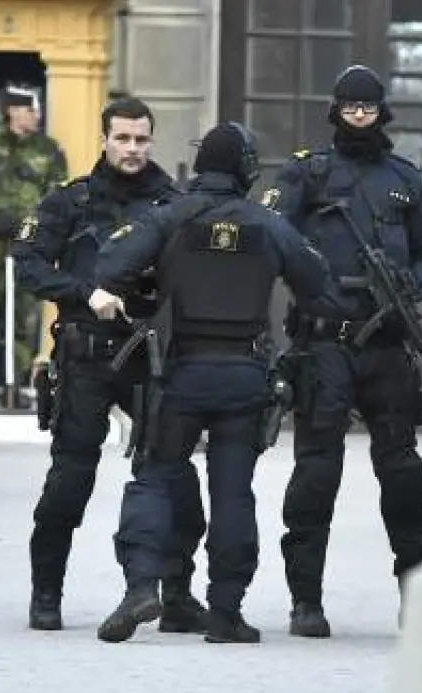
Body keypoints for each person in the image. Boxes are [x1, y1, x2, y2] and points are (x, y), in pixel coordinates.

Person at [92, 122, 351, 645]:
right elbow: (318, 286)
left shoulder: (168, 217)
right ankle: (226, 611)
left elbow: (110, 264)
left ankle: (141, 585)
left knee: (154, 476)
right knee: (233, 491)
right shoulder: (269, 225)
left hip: (179, 374)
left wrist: (150, 284)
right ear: (246, 170)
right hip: (243, 376)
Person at [10, 97, 209, 634]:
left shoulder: (174, 203)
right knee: (70, 479)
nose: (132, 149)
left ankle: (174, 595)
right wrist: (83, 292)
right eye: (122, 138)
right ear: (104, 140)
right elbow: (27, 264)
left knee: (172, 476)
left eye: (141, 139)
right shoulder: (70, 201)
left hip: (151, 356)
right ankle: (46, 593)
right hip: (88, 354)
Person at [259, 64, 422, 637]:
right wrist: (308, 276)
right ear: (335, 110)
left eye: (368, 108)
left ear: (381, 111)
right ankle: (305, 601)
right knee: (317, 472)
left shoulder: (404, 178)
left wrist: (414, 287)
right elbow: (269, 232)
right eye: (350, 108)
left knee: (403, 472)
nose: (359, 117)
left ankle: (419, 595)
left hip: (386, 342)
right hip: (325, 342)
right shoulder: (307, 173)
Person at [0, 82, 69, 407]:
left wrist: (30, 224)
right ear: (14, 111)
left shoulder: (48, 151)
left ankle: (18, 383)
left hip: (29, 247)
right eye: (31, 109)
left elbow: (58, 194)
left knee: (25, 317)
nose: (37, 115)